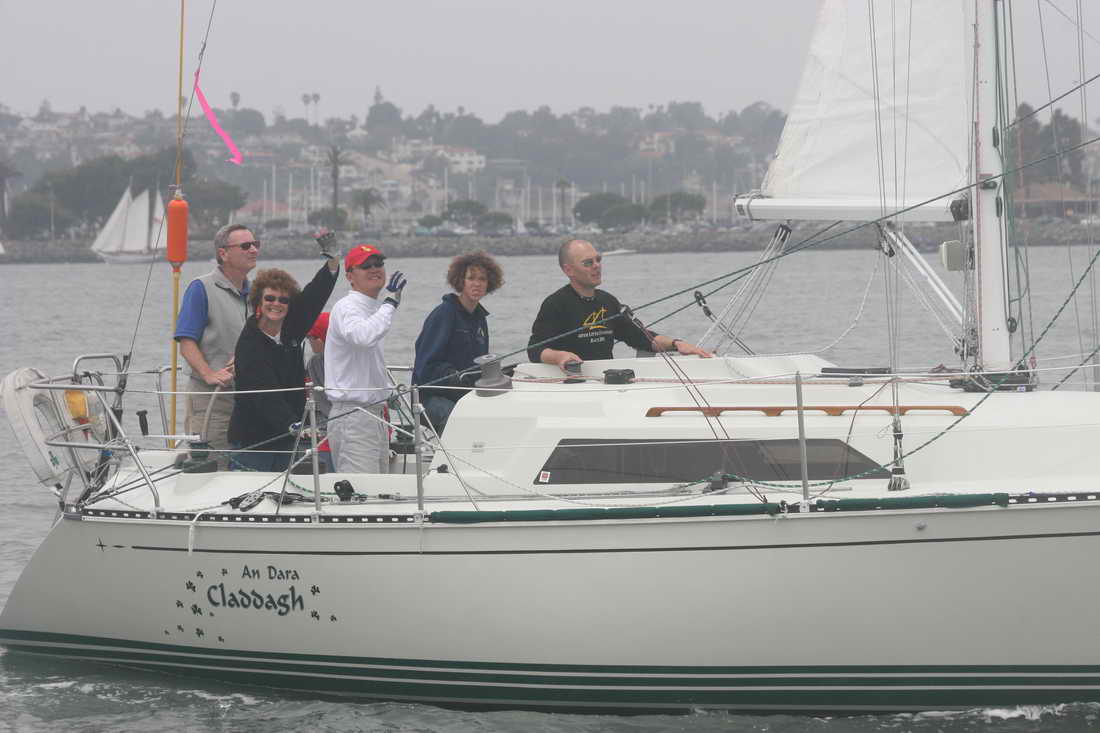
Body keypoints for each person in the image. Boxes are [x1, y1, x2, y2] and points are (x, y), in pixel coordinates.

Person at [527, 239, 712, 369]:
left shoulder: (608, 301)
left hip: (605, 380)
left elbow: (641, 337)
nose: (597, 266)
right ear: (569, 270)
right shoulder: (556, 304)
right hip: (571, 382)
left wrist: (677, 343)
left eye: (598, 260)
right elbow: (535, 350)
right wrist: (559, 356)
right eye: (588, 263)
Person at [228, 258, 338, 472]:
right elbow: (264, 394)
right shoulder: (250, 344)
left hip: (287, 438)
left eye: (283, 300)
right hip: (254, 441)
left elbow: (313, 298)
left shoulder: (290, 330)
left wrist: (332, 265)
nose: (276, 304)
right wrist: (292, 424)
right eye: (269, 298)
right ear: (258, 302)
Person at [174, 224, 258, 463]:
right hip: (212, 399)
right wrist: (208, 374)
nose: (253, 250)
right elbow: (186, 342)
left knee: (250, 467)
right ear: (223, 253)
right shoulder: (201, 288)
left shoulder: (257, 293)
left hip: (250, 399)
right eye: (245, 246)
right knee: (213, 465)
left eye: (255, 244)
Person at [325, 244, 408, 473]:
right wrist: (390, 304)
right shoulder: (347, 307)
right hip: (353, 415)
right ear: (350, 276)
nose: (374, 269)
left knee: (377, 485)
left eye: (378, 263)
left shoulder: (372, 309)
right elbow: (362, 337)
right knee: (362, 488)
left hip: (373, 413)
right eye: (365, 266)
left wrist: (388, 390)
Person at [412, 251, 503, 433]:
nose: (477, 283)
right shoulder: (444, 313)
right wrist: (455, 375)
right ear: (461, 281)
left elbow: (479, 364)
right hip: (431, 398)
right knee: (460, 419)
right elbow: (425, 366)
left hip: (464, 395)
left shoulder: (480, 318)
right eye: (471, 278)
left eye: (482, 279)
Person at [305, 312, 333, 472]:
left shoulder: (316, 363)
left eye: (312, 337)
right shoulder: (315, 363)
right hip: (327, 430)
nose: (309, 341)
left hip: (338, 430)